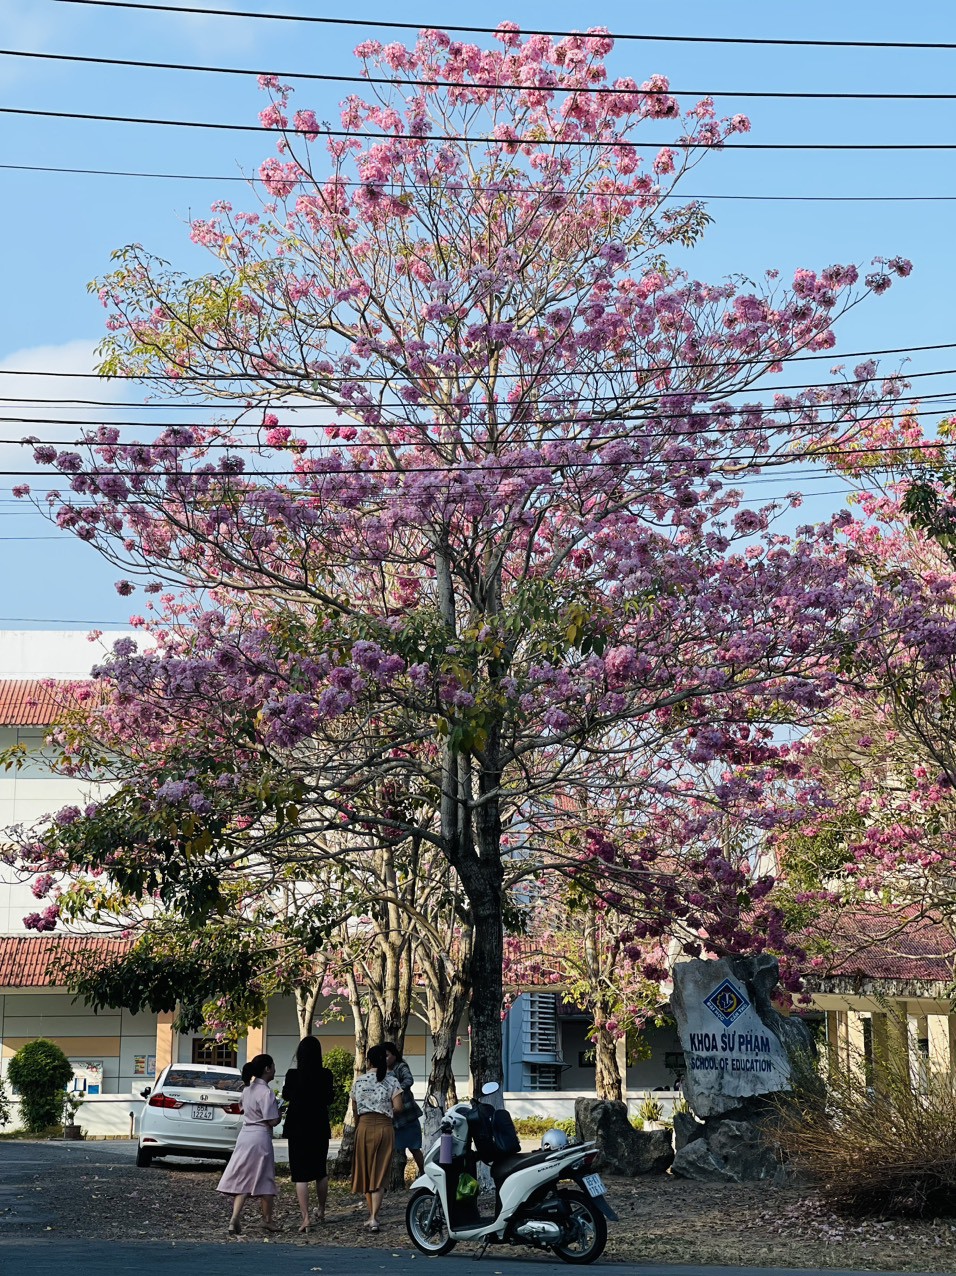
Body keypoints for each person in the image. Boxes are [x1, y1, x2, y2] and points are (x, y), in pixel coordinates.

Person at [217, 1053, 282, 1235]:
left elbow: (243, 1108)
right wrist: (280, 1113)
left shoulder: (247, 1089)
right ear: (267, 1069)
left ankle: (234, 1218)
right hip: (260, 1137)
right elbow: (272, 1121)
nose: (275, 1069)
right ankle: (267, 1220)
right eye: (273, 1066)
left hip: (245, 1135)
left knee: (244, 1178)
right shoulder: (266, 1092)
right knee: (266, 1177)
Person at [283, 1035, 335, 1232]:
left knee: (300, 1174)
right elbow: (329, 1098)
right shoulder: (326, 1074)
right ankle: (321, 1210)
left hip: (297, 1126)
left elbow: (287, 1094)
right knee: (320, 1171)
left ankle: (305, 1218)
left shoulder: (292, 1075)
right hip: (319, 1126)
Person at [350, 1043, 402, 1232]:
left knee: (365, 1172)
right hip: (384, 1128)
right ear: (384, 1060)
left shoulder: (360, 1081)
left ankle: (371, 1215)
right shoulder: (392, 1081)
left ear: (369, 1060)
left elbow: (355, 1108)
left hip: (363, 1127)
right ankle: (374, 1217)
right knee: (380, 1173)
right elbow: (398, 1107)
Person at [384, 1041, 425, 1176]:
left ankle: (423, 1173)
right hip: (391, 1117)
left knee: (414, 1148)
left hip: (407, 1115)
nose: (385, 1059)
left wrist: (397, 1091)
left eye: (387, 1055)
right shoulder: (380, 1071)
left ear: (394, 1055)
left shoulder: (401, 1067)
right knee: (388, 1150)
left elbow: (409, 1080)